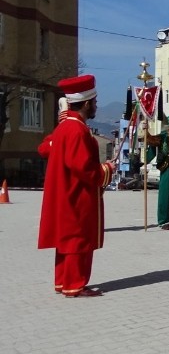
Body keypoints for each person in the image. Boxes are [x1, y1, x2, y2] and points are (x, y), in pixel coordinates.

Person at [37, 75, 117, 298]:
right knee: (77, 238)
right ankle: (75, 284)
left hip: (64, 192)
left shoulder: (64, 128)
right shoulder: (77, 130)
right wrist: (107, 169)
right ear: (86, 103)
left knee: (66, 238)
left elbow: (44, 149)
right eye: (95, 102)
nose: (96, 106)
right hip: (77, 193)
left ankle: (63, 281)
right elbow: (83, 167)